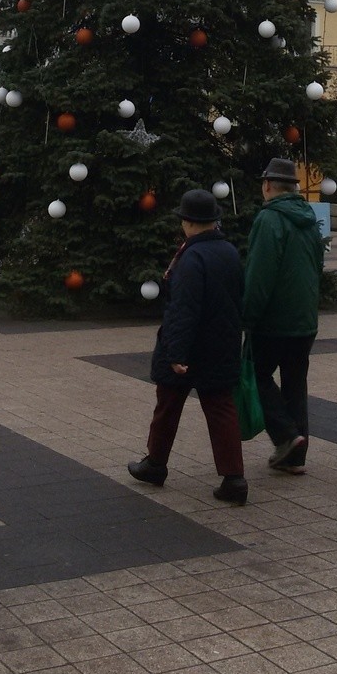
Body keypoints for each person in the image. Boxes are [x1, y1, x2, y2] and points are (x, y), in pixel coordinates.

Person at [128, 189, 247, 505]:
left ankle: (155, 465)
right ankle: (234, 478)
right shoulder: (228, 251)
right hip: (223, 343)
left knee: (167, 404)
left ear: (189, 222)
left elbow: (183, 308)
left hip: (190, 346)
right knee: (221, 408)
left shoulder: (192, 258)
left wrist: (177, 353)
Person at [243, 157, 324, 474]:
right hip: (305, 321)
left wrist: (247, 316)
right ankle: (295, 458)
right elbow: (317, 267)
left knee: (256, 375)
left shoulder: (269, 220)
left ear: (267, 186)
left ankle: (287, 437)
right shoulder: (307, 217)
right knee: (295, 385)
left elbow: (259, 275)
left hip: (273, 321)